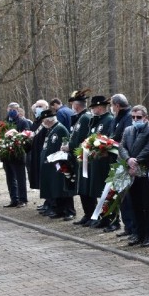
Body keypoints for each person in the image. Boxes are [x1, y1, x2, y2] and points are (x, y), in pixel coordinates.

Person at [119, 106, 149, 247]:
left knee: (148, 204)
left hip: (145, 171)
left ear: (145, 117)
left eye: (138, 117)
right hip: (131, 172)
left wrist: (135, 161)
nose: (135, 120)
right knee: (134, 204)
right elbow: (122, 147)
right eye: (133, 117)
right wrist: (128, 160)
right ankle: (138, 233)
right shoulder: (128, 130)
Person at [38, 109, 76, 220]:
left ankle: (69, 211)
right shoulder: (51, 129)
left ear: (48, 120)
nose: (42, 123)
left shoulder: (60, 129)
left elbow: (64, 146)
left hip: (59, 164)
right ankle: (59, 210)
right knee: (55, 188)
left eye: (43, 120)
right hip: (51, 164)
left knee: (63, 187)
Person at [85, 95, 116, 229]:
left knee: (107, 191)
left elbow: (109, 140)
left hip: (105, 161)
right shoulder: (96, 121)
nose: (92, 110)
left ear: (99, 107)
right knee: (99, 191)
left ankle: (112, 219)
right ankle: (103, 217)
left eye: (94, 107)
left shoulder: (108, 120)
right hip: (96, 161)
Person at [65, 90, 94, 225]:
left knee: (86, 188)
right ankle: (87, 214)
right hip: (78, 157)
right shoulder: (79, 118)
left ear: (76, 106)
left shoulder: (85, 118)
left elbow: (82, 138)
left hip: (84, 157)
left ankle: (91, 214)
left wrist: (70, 147)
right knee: (81, 188)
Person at [108, 93, 135, 235]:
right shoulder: (116, 118)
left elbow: (127, 140)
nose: (111, 108)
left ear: (117, 106)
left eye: (112, 105)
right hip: (116, 160)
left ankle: (132, 226)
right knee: (121, 196)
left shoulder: (129, 117)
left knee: (128, 196)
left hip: (125, 160)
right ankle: (127, 226)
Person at [2, 102, 32, 207]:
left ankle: (22, 199)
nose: (12, 110)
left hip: (18, 155)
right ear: (7, 109)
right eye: (10, 108)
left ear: (18, 110)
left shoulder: (23, 122)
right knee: (10, 178)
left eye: (14, 109)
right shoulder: (3, 123)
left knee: (20, 178)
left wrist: (16, 137)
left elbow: (27, 137)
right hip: (6, 155)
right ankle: (13, 199)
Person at [28, 99, 51, 211]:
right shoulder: (37, 121)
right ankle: (46, 201)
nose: (37, 108)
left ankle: (50, 202)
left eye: (40, 106)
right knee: (40, 179)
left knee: (46, 179)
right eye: (36, 106)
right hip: (36, 153)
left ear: (46, 107)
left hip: (44, 153)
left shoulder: (47, 121)